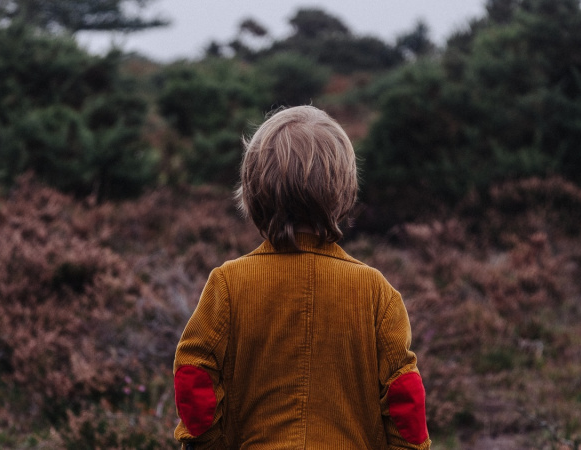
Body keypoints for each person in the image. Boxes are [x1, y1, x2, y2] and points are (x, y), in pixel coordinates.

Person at [173, 106, 430, 449]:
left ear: (253, 189)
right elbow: (404, 398)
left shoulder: (229, 283)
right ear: (344, 189)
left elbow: (194, 377)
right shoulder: (376, 291)